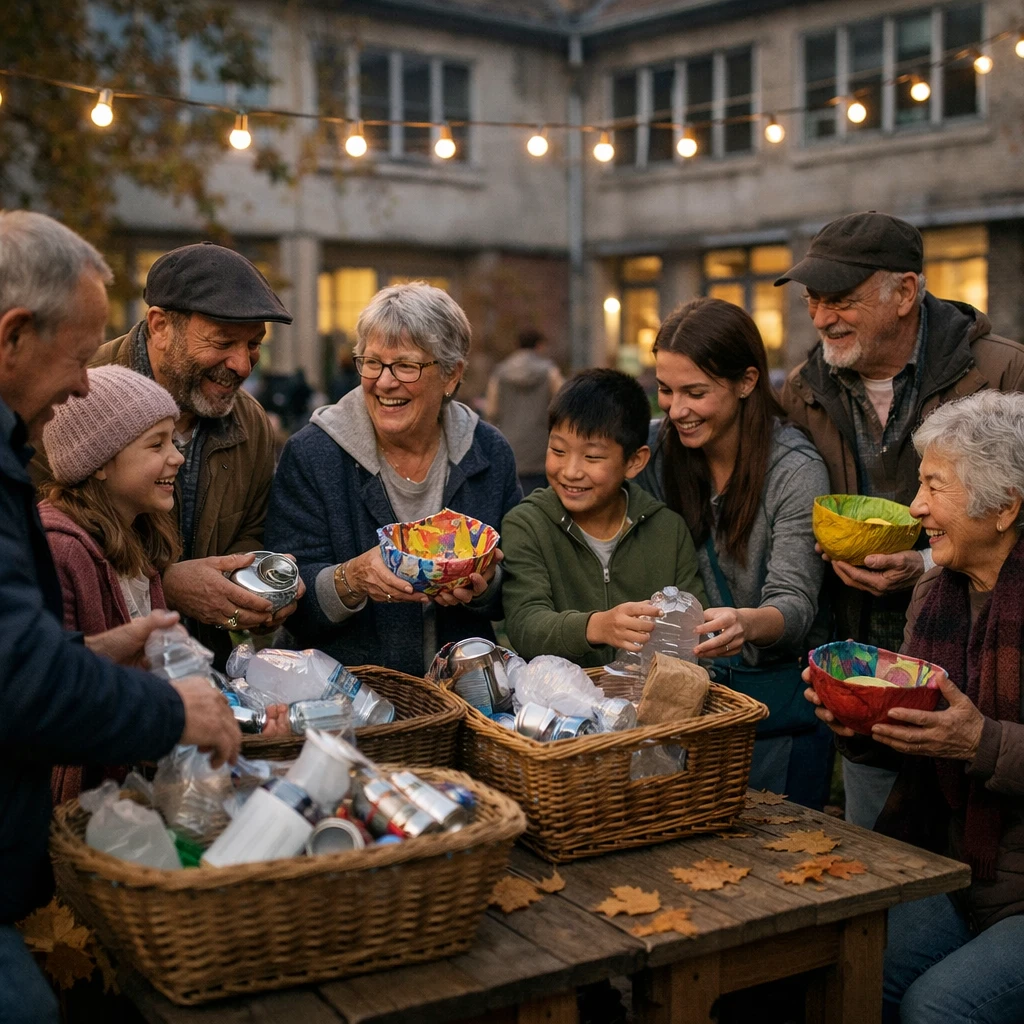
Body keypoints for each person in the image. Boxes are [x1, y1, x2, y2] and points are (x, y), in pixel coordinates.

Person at [0, 211, 240, 1023]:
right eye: (75, 358)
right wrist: (173, 710)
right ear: (12, 335)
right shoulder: (57, 530)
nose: (79, 383)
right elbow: (22, 678)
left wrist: (101, 650)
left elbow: (25, 651)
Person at [777, 211, 1024, 827]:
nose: (822, 318)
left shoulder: (1005, 374)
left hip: (992, 668)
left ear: (906, 292)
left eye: (841, 301)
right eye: (814, 301)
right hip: (863, 658)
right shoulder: (806, 386)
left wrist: (927, 561)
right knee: (891, 848)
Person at [805, 392, 1024, 1024]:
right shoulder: (936, 591)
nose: (916, 508)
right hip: (951, 865)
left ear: (1005, 506)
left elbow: (967, 739)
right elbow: (926, 734)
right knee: (846, 970)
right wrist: (863, 726)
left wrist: (981, 742)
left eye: (935, 487)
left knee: (937, 1007)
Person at [266, 282, 521, 677]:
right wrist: (351, 579)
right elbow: (287, 597)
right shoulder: (314, 454)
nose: (384, 382)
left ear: (451, 375)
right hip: (344, 697)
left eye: (406, 365)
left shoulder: (487, 452)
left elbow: (517, 587)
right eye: (371, 362)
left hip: (462, 699)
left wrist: (484, 584)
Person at [638, 297, 831, 804]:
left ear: (747, 382)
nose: (676, 409)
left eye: (695, 392)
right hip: (687, 705)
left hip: (776, 720)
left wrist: (747, 622)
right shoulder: (658, 449)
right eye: (665, 389)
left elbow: (795, 604)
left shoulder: (794, 471)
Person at [86, 243, 302, 661]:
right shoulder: (79, 396)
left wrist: (254, 593)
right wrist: (165, 584)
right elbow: (45, 548)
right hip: (100, 680)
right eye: (223, 342)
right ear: (160, 326)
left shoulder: (251, 422)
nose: (242, 365)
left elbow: (250, 532)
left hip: (207, 675)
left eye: (254, 344)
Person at [39, 366, 184, 803]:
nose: (176, 456)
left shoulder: (139, 535)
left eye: (173, 439)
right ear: (99, 464)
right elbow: (52, 690)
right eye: (155, 444)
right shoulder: (59, 550)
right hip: (78, 805)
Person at [501, 368, 706, 667]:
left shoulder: (667, 530)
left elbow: (694, 629)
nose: (570, 471)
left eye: (592, 457)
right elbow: (525, 625)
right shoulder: (527, 524)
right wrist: (596, 626)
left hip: (652, 699)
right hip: (562, 702)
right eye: (558, 450)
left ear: (634, 461)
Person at [485, 328, 564, 494]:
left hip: (509, 447)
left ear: (517, 345)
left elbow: (491, 410)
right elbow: (565, 403)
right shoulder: (549, 372)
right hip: (541, 449)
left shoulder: (500, 373)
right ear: (540, 346)